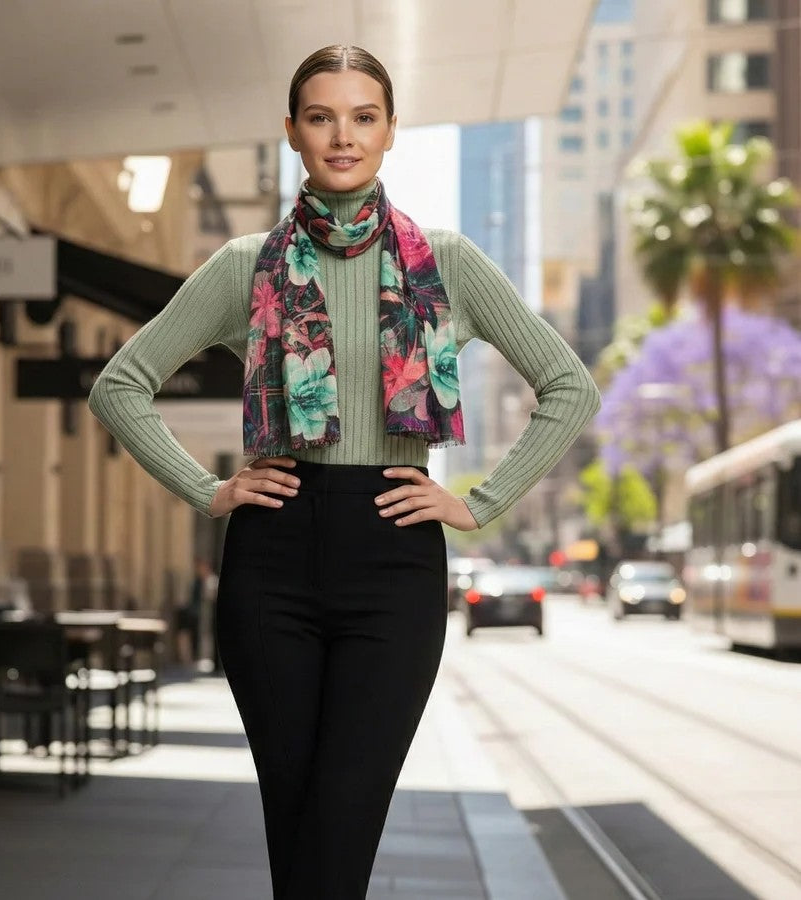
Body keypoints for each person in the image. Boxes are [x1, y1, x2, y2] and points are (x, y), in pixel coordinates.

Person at [88, 44, 601, 900]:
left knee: (340, 822)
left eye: (363, 116)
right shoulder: (244, 265)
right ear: (292, 130)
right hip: (271, 561)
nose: (342, 136)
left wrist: (481, 502)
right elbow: (120, 384)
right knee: (297, 827)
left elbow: (568, 386)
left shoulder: (447, 261)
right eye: (322, 116)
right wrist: (208, 490)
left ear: (392, 131)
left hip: (394, 561)